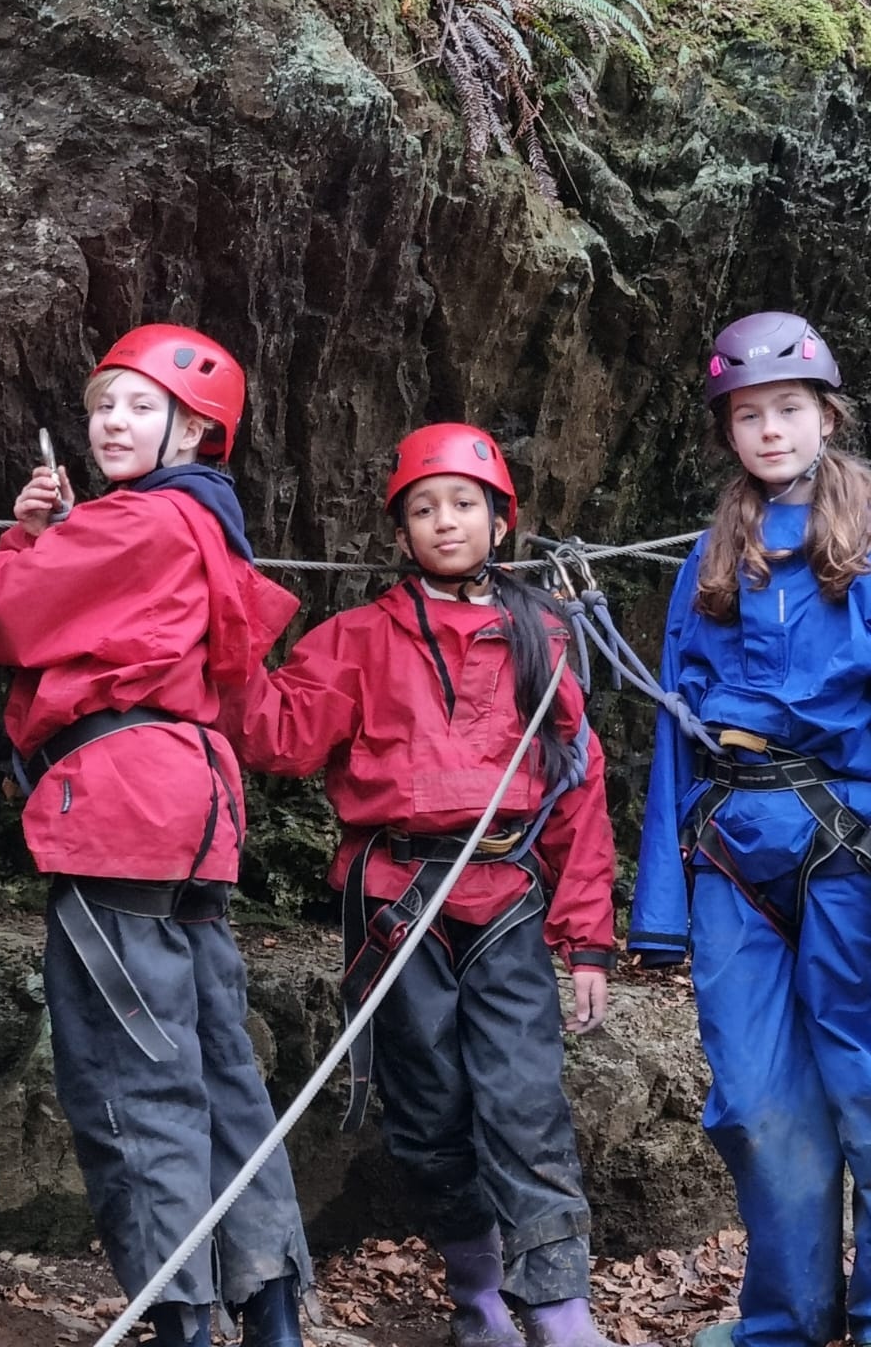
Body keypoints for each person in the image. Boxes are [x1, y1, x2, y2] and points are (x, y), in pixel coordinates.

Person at [0, 323, 313, 1347]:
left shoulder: (140, 522)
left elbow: (2, 611)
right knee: (217, 1065)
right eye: (102, 406)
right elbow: (95, 616)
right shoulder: (198, 521)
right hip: (191, 808)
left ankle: (179, 1318)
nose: (112, 422)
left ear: (195, 431)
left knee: (132, 1073)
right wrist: (46, 533)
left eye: (140, 407)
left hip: (120, 809)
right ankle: (271, 1306)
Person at [218, 422, 624, 1347]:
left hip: (505, 893)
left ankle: (560, 1310)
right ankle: (480, 1295)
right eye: (424, 508)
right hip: (397, 905)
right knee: (430, 1109)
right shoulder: (357, 639)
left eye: (464, 504)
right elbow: (278, 737)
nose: (446, 521)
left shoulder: (544, 636)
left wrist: (588, 940)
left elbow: (578, 789)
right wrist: (229, 619)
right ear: (399, 531)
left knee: (525, 1101)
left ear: (500, 521)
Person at [630, 311, 871, 1347]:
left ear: (827, 415)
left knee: (867, 1088)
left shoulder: (866, 544)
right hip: (731, 854)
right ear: (727, 430)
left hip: (851, 849)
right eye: (747, 414)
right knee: (757, 1101)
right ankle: (786, 1319)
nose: (770, 429)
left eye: (789, 408)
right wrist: (659, 910)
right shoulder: (710, 557)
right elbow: (674, 730)